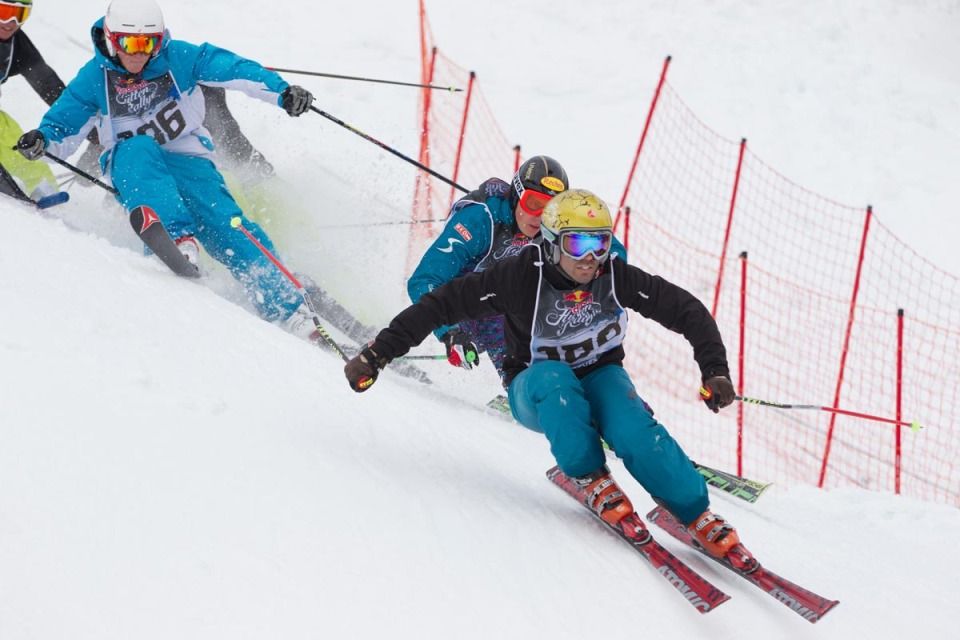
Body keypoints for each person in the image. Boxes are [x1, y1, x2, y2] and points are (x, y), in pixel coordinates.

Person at [344, 188, 751, 566]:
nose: (590, 258)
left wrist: (714, 369)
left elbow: (685, 309)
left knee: (636, 430)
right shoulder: (520, 276)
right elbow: (439, 305)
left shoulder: (613, 275)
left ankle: (694, 511)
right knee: (557, 382)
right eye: (578, 244)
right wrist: (377, 354)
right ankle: (591, 476)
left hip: (600, 373)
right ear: (552, 241)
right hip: (533, 385)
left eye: (601, 243)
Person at [15, 0, 319, 332]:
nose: (139, 52)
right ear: (113, 40)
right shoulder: (94, 78)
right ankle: (175, 238)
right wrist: (42, 140)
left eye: (149, 43)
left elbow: (233, 68)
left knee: (226, 221)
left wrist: (282, 92)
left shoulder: (179, 58)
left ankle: (286, 305)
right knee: (137, 148)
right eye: (130, 43)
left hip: (187, 158)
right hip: (133, 168)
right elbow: (63, 124)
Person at [407, 155, 625, 384]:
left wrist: (603, 275)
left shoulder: (558, 224)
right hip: (466, 303)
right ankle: (522, 386)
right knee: (508, 319)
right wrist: (449, 332)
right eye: (532, 203)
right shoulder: (481, 220)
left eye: (548, 210)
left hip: (512, 299)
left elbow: (612, 248)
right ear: (516, 195)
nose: (538, 217)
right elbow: (424, 280)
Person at [0, 0, 70, 207]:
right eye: (4, 11)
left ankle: (41, 185)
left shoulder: (17, 47)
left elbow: (49, 85)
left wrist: (93, 134)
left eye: (19, 14)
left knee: (8, 131)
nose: (10, 22)